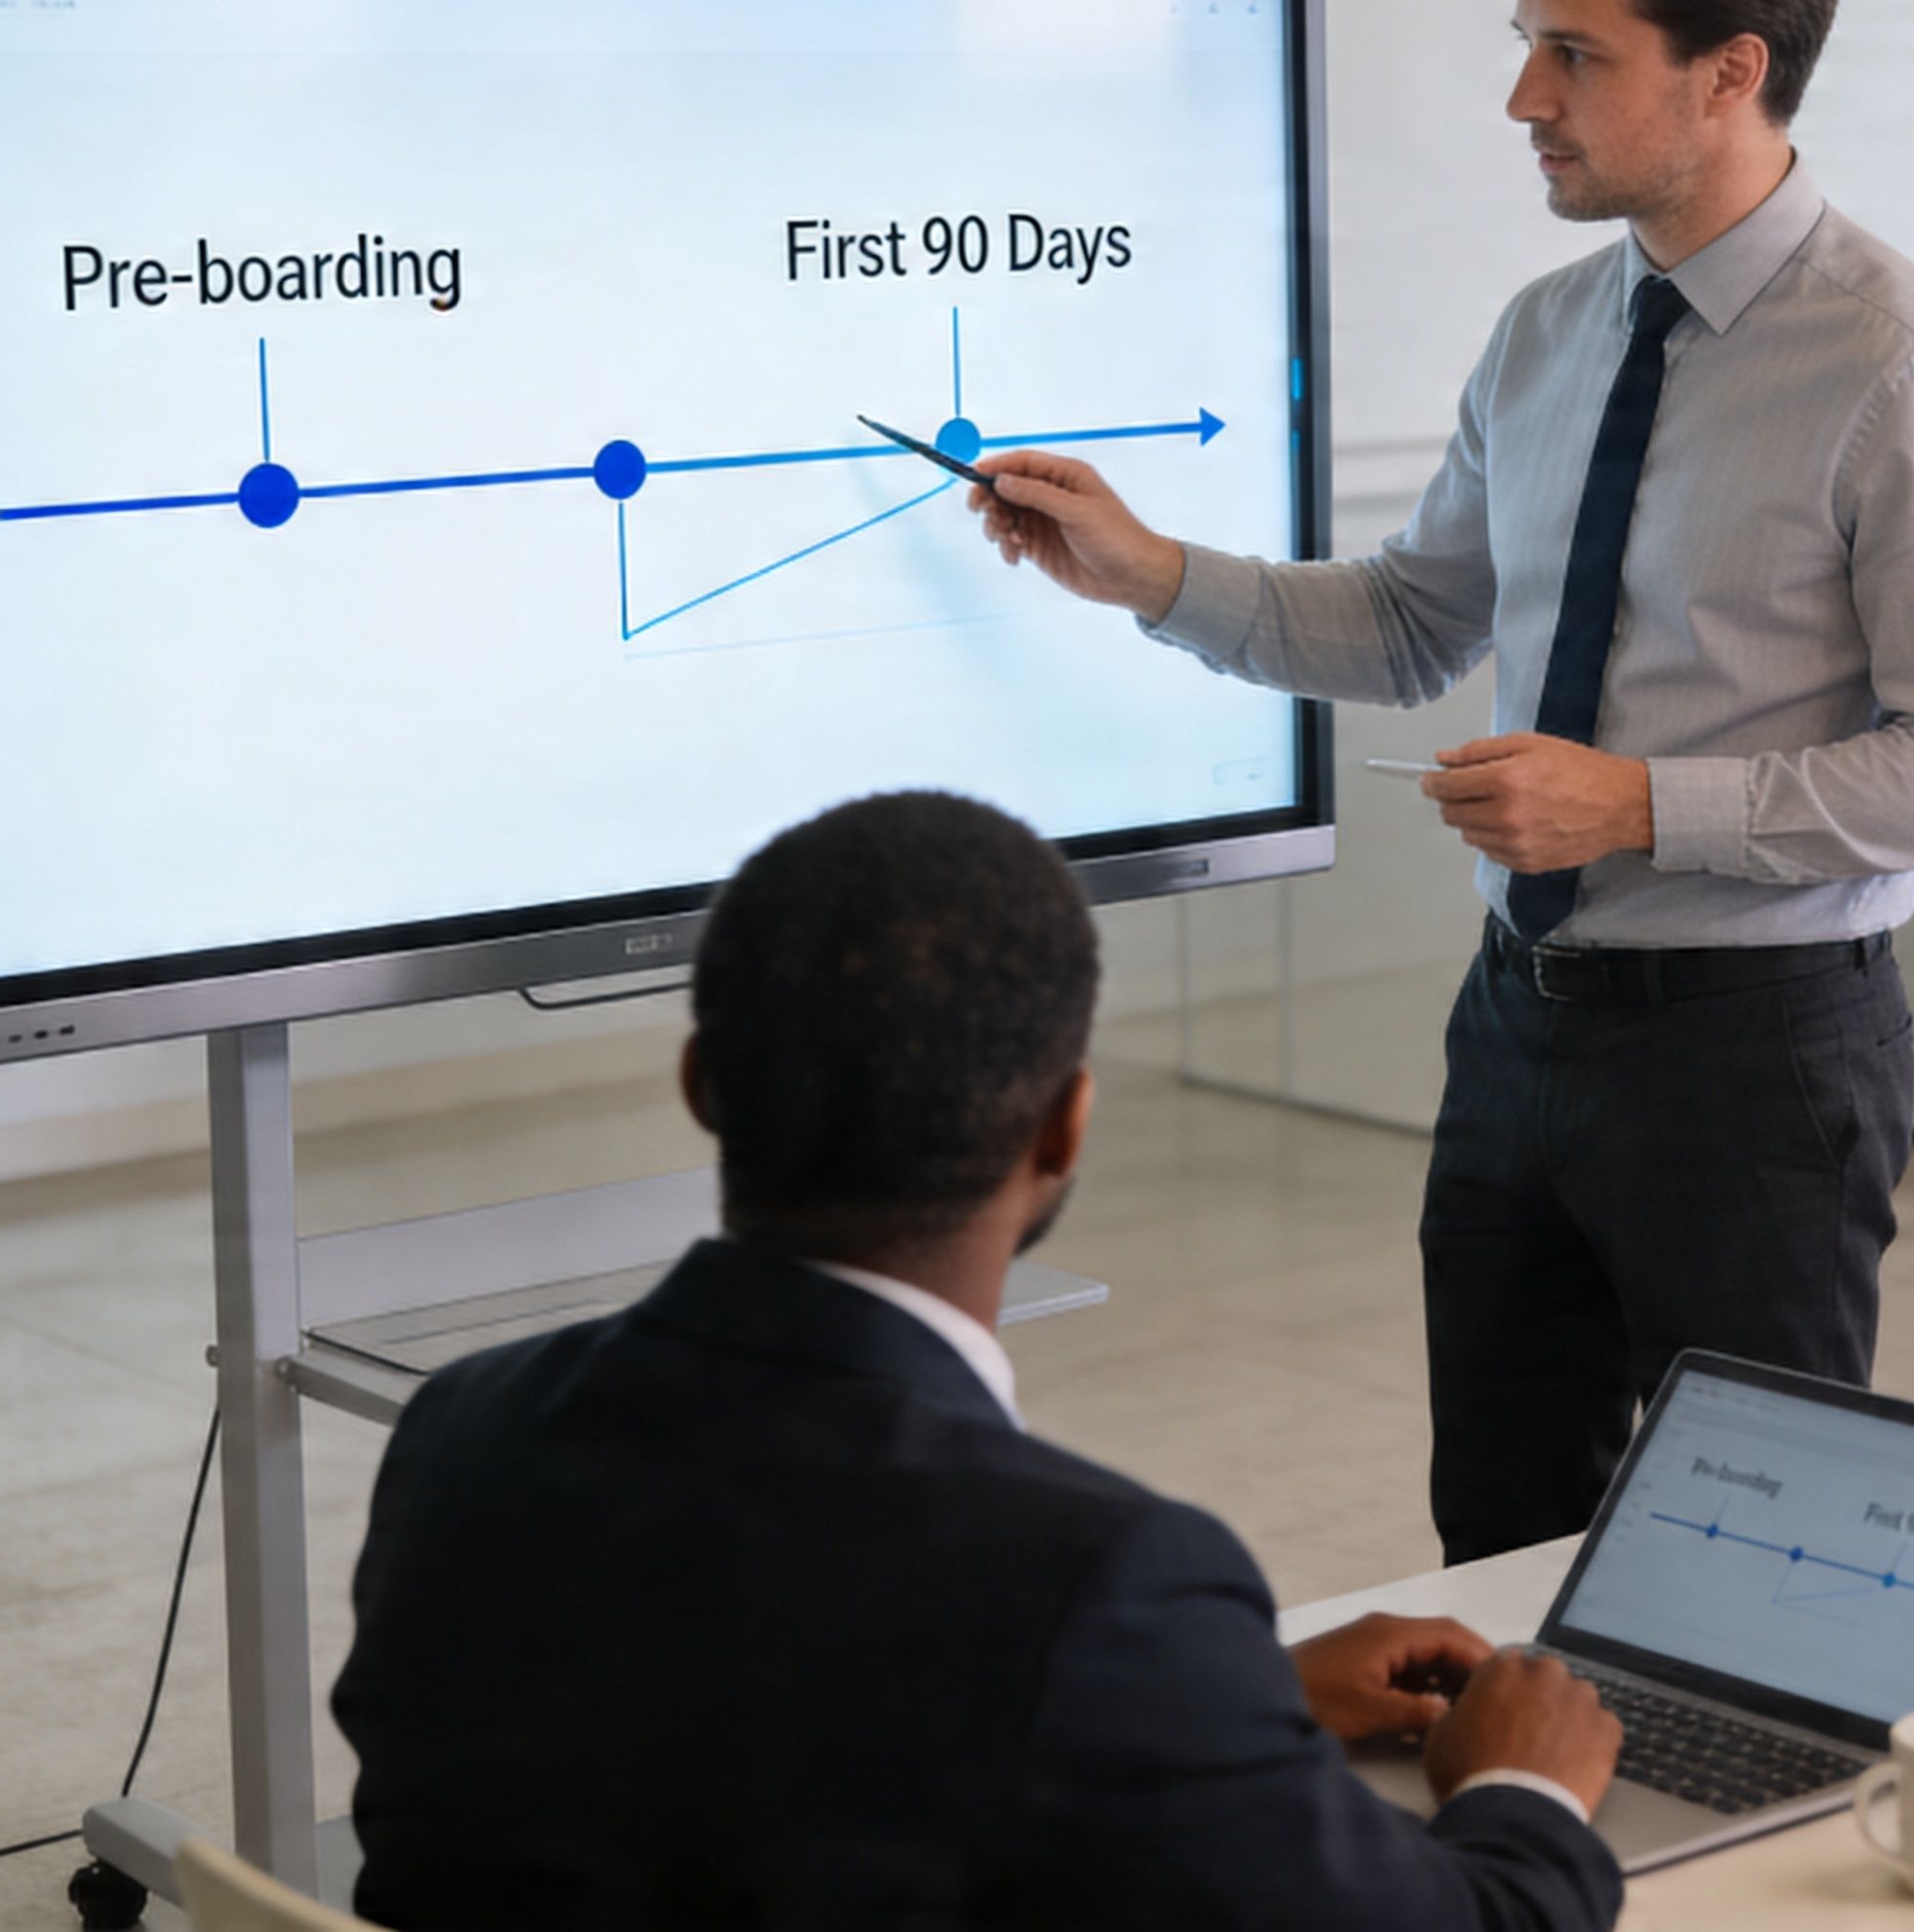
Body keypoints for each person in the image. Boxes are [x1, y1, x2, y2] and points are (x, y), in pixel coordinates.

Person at [968, 0, 1914, 1564]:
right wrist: (1149, 567)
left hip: (1756, 1052)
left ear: (1731, 72)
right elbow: (1411, 622)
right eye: (1528, 44)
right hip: (1516, 1034)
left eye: (1576, 56)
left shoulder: (1904, 367)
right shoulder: (1550, 329)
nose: (1521, 97)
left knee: (1747, 1560)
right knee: (1497, 1530)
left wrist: (1633, 806)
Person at [331, 792, 1626, 1930]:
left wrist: (1210, 1715)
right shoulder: (1095, 1584)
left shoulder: (463, 1431)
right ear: (1065, 1127)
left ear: (701, 1086)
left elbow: (742, 1743)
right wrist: (1521, 1787)